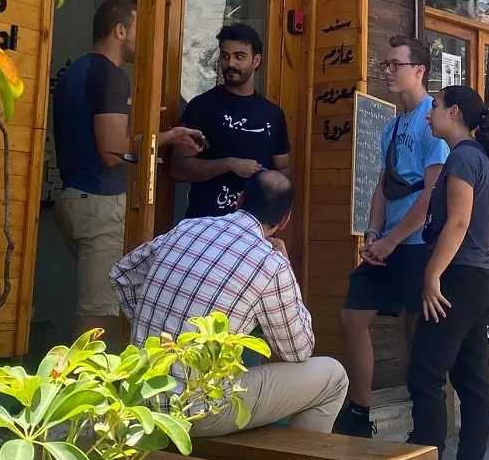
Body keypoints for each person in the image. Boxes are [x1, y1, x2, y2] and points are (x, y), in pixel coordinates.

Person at [110, 170, 348, 434]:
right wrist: (287, 268)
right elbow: (298, 350)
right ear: (286, 219)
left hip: (138, 399)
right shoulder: (271, 263)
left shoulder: (187, 228)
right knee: (333, 376)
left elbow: (121, 276)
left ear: (239, 199)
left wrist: (155, 324)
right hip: (199, 411)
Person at [53, 0, 203, 342]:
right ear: (119, 31)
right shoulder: (111, 75)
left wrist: (140, 122)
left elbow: (91, 137)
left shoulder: (75, 72)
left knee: (108, 307)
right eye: (136, 29)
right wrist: (167, 136)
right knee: (98, 318)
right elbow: (111, 152)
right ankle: (62, 392)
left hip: (75, 198)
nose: (142, 37)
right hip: (100, 203)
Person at [334, 36, 449, 438]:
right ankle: (360, 413)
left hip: (418, 246)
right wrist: (372, 233)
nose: (387, 71)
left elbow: (431, 196)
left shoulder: (432, 121)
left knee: (418, 332)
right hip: (387, 243)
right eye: (385, 64)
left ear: (419, 70)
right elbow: (383, 184)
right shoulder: (392, 125)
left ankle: (430, 420)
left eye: (395, 64)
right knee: (353, 316)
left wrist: (394, 240)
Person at [407, 86, 489, 460]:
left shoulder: (463, 157)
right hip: (481, 276)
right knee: (471, 379)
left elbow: (460, 219)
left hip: (458, 278)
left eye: (434, 109)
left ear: (455, 112)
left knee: (426, 376)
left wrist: (433, 275)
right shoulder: (482, 160)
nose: (429, 117)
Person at [171, 24, 291, 218]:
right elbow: (178, 168)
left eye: (239, 56)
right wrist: (228, 164)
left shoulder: (273, 115)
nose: (230, 63)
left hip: (254, 230)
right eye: (225, 56)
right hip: (205, 225)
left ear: (256, 60)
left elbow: (283, 168)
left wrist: (278, 210)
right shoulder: (201, 107)